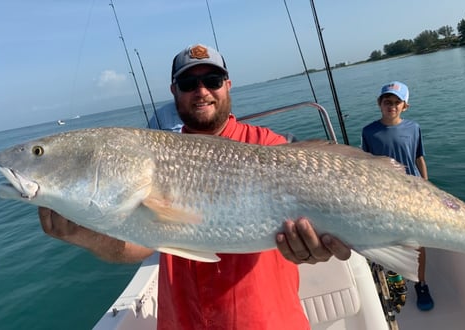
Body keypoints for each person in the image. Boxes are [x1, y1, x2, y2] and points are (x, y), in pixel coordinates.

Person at [38, 44, 352, 329]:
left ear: (228, 85)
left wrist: (316, 245)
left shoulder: (270, 146)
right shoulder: (158, 157)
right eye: (189, 84)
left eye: (212, 80)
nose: (201, 91)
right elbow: (137, 245)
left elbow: (321, 203)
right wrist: (82, 234)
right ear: (174, 91)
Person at [361, 81, 434, 311]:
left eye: (396, 102)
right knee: (392, 239)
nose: (391, 106)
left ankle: (421, 283)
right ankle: (395, 276)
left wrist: (425, 185)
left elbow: (419, 158)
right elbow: (366, 166)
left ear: (405, 105)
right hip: (385, 194)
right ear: (379, 104)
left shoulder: (414, 128)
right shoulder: (369, 132)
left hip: (413, 192)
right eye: (387, 101)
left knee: (418, 241)